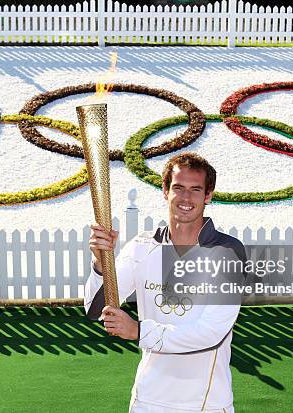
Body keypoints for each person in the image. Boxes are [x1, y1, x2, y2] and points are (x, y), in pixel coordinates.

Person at [84, 152, 246, 413]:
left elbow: (211, 333)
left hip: (206, 403)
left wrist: (139, 331)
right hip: (148, 401)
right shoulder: (142, 246)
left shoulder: (227, 252)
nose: (185, 198)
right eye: (178, 187)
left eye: (195, 189)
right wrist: (101, 262)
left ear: (208, 195)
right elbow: (95, 308)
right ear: (165, 190)